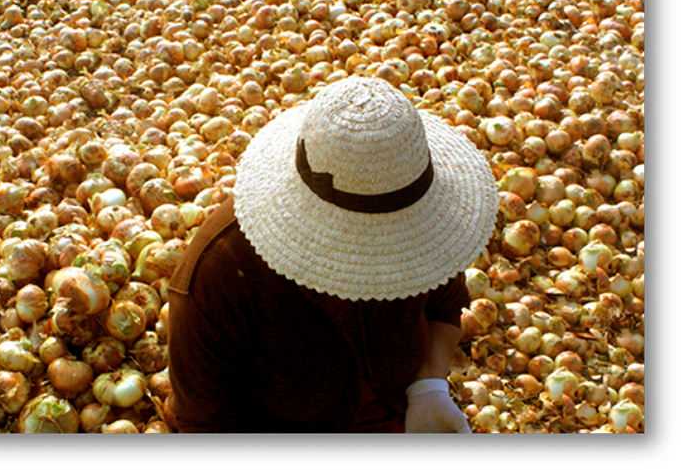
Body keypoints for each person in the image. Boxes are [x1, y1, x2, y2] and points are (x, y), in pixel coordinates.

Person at [167, 76, 499, 433]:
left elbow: (445, 305)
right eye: (367, 238)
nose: (384, 257)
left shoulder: (432, 224)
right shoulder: (219, 275)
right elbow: (202, 424)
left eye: (396, 237)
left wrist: (429, 387)